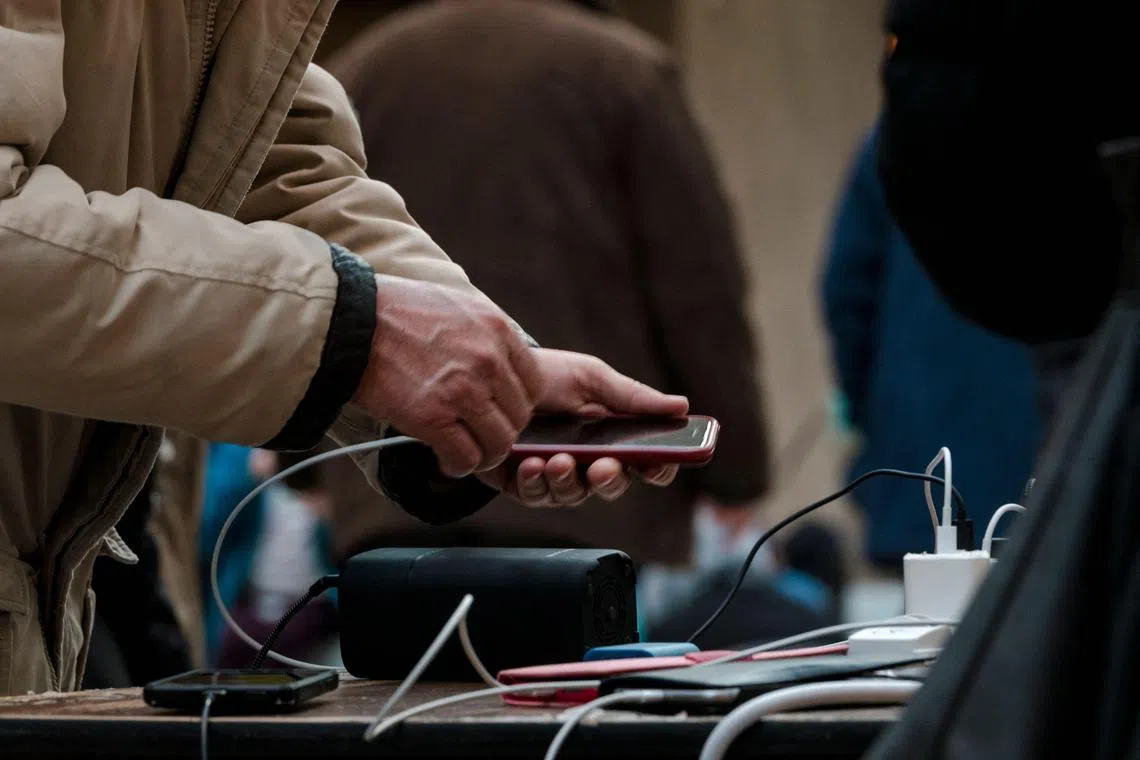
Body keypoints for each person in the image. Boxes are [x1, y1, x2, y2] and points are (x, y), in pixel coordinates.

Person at [0, 1, 688, 696]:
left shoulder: (345, 41)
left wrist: (486, 370)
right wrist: (360, 334)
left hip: (75, 581)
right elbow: (700, 288)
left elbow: (270, 167)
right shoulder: (633, 73)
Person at [325, 0, 772, 570]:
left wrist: (309, 456)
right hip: (578, 488)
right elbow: (697, 288)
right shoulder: (624, 72)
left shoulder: (360, 69)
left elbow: (316, 249)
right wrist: (735, 473)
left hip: (392, 486)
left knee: (399, 660)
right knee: (571, 658)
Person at [821, 122, 1041, 571]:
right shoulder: (1085, 124)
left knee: (924, 631)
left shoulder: (902, 130)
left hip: (920, 466)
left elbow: (846, 292)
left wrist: (875, 421)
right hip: (1047, 467)